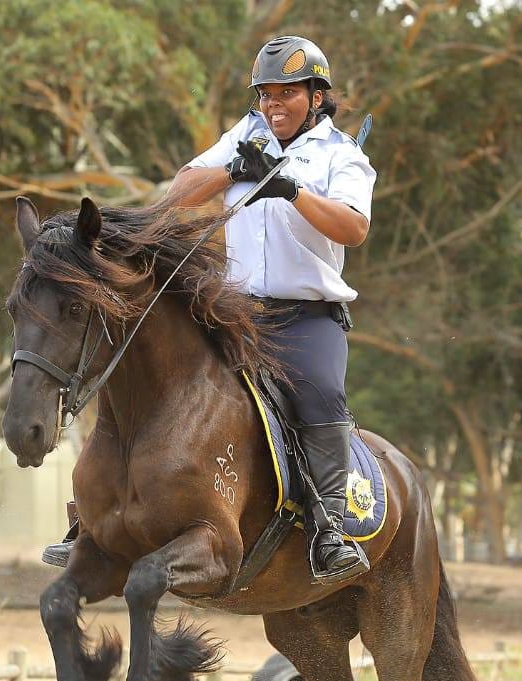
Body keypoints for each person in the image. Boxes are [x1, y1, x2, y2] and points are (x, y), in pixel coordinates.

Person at [42, 35, 376, 583]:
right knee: (149, 369)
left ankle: (330, 528)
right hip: (234, 308)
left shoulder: (343, 156)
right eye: (266, 94)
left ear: (317, 97)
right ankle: (96, 516)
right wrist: (234, 170)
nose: (273, 104)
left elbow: (353, 228)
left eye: (287, 93)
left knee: (319, 392)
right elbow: (179, 192)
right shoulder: (244, 136)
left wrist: (290, 189)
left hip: (305, 317)